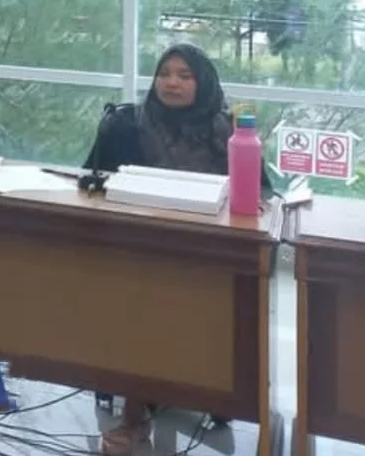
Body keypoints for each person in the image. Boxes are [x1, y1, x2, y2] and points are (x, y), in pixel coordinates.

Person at [84, 42, 261, 455]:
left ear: (203, 83)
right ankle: (135, 415)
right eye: (164, 74)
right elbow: (92, 180)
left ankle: (211, 388)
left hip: (208, 253)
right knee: (141, 299)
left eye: (184, 75)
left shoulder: (228, 130)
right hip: (138, 248)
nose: (172, 83)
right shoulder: (127, 124)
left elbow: (261, 194)